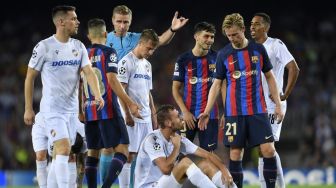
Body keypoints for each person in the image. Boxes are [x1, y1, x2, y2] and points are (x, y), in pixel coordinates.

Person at [102, 6, 189, 184]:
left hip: (142, 112)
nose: (122, 25)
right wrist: (126, 112)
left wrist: (153, 113)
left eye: (126, 21)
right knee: (117, 152)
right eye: (119, 21)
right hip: (114, 100)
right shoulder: (108, 42)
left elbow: (158, 42)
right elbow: (120, 86)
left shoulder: (141, 50)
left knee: (143, 153)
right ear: (112, 21)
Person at [198, 13, 284, 188]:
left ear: (243, 29)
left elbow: (270, 77)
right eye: (229, 35)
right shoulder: (224, 54)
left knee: (269, 150)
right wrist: (207, 111)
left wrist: (278, 105)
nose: (232, 38)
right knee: (236, 154)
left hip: (258, 110)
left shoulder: (258, 50)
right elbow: (216, 85)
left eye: (235, 34)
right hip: (234, 113)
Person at [23, 5, 104, 187]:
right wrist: (28, 108)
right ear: (61, 22)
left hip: (72, 114)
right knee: (64, 149)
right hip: (52, 112)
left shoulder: (79, 46)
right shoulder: (44, 47)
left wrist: (98, 95)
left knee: (91, 146)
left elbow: (89, 72)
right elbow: (30, 77)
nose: (78, 22)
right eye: (73, 19)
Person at [82, 18, 142, 188]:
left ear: (88, 35)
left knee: (93, 151)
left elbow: (80, 83)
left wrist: (81, 109)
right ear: (105, 34)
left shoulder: (83, 53)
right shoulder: (110, 52)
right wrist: (130, 102)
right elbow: (112, 80)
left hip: (89, 109)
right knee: (123, 149)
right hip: (107, 107)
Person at [250, 12, 300, 188]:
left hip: (273, 104)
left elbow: (293, 68)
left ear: (265, 27)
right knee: (262, 148)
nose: (252, 27)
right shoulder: (250, 48)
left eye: (256, 24)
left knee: (266, 146)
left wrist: (284, 94)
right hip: (256, 104)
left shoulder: (275, 44)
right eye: (251, 24)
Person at [134, 104, 236, 188]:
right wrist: (176, 148)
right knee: (185, 163)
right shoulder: (153, 140)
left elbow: (208, 155)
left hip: (168, 184)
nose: (182, 118)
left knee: (206, 164)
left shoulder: (179, 138)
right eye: (178, 116)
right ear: (168, 123)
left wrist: (224, 171)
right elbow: (165, 169)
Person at [117, 29, 160, 188]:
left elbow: (148, 94)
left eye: (153, 49)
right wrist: (127, 115)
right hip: (132, 119)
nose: (151, 51)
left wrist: (154, 117)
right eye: (149, 48)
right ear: (140, 43)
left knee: (148, 155)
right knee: (129, 155)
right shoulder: (125, 62)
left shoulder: (147, 65)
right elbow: (121, 91)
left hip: (146, 118)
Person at [172, 21, 219, 152]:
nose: (210, 40)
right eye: (206, 36)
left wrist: (227, 111)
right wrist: (185, 112)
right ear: (196, 36)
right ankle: (182, 174)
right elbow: (175, 89)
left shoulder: (217, 58)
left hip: (210, 115)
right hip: (188, 116)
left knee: (209, 156)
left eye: (212, 37)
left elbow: (223, 86)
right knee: (179, 154)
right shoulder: (183, 60)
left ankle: (205, 173)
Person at [31, 111, 87, 188]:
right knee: (42, 157)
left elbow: (82, 164)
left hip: (61, 123)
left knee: (65, 158)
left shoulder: (83, 133)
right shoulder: (60, 130)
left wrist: (79, 184)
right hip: (46, 122)